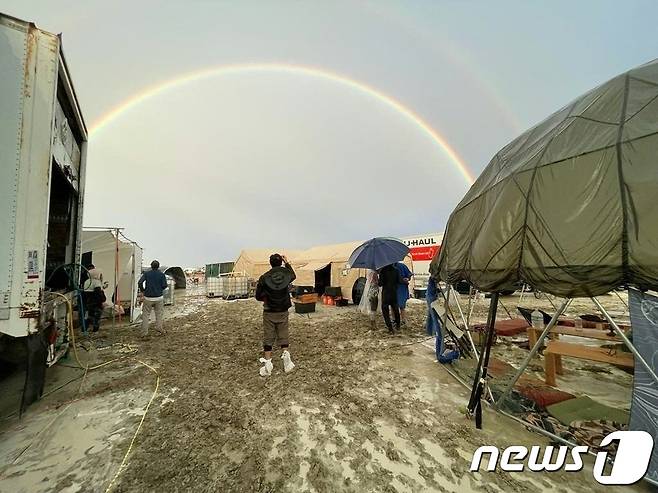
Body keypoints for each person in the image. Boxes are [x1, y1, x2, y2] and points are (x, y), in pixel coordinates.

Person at [255, 254, 296, 376]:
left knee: (268, 337)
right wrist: (287, 262)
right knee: (283, 335)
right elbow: (293, 275)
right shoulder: (286, 275)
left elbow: (258, 296)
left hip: (269, 311)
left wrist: (267, 298)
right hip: (283, 310)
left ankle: (268, 366)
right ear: (280, 262)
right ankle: (287, 364)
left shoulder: (264, 278)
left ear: (270, 263)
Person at [138, 260, 168, 337]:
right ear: (158, 266)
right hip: (159, 298)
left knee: (146, 315)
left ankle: (144, 333)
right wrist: (159, 289)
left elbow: (140, 282)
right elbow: (165, 286)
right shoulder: (162, 275)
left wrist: (143, 290)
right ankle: (159, 328)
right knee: (159, 314)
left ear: (151, 266)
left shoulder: (147, 274)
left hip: (148, 298)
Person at [378, 263, 401, 333]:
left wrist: (379, 276)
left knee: (385, 311)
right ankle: (398, 325)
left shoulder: (383, 271)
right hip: (394, 292)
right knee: (395, 309)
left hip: (386, 294)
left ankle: (390, 328)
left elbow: (380, 284)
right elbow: (399, 281)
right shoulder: (396, 270)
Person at [395, 262, 413, 326]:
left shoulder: (402, 266)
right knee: (396, 306)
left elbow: (409, 275)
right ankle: (398, 320)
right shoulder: (390, 267)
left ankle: (402, 320)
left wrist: (407, 279)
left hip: (401, 289)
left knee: (401, 306)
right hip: (396, 289)